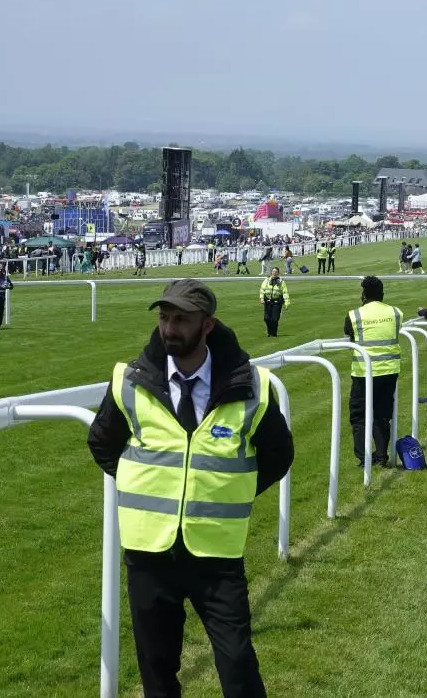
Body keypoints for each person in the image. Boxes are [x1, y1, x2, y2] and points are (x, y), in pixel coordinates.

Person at [86, 279, 294, 698]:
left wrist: (224, 490)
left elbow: (277, 455)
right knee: (157, 669)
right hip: (148, 554)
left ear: (207, 326)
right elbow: (103, 444)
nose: (169, 328)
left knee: (237, 664)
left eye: (182, 320)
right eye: (164, 318)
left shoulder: (252, 385)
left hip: (216, 557)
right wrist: (140, 483)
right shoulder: (129, 381)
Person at [343, 276, 403, 468]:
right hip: (389, 371)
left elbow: (349, 335)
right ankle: (381, 456)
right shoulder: (395, 312)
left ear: (363, 295)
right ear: (382, 294)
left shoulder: (354, 315)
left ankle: (363, 458)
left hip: (363, 373)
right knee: (382, 414)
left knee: (359, 416)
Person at [258, 267, 291, 337]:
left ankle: (274, 333)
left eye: (276, 272)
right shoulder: (266, 280)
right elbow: (262, 290)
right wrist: (261, 298)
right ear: (271, 273)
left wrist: (287, 303)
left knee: (275, 319)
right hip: (267, 302)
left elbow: (285, 293)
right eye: (273, 272)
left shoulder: (281, 282)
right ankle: (269, 331)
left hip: (277, 303)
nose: (274, 273)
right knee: (266, 318)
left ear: (278, 273)